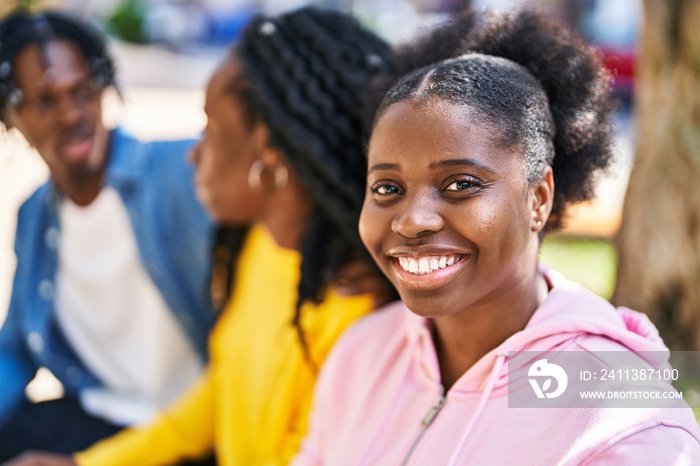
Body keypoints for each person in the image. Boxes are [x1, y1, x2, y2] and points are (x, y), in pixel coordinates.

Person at [292, 9, 700, 465]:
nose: (411, 221)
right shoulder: (363, 353)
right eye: (388, 189)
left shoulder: (621, 414)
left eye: (460, 184)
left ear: (538, 198)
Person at [2, 6, 396, 466]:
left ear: (266, 156)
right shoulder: (259, 250)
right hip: (133, 425)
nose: (194, 152)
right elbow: (218, 395)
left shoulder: (354, 310)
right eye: (44, 101)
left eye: (208, 128)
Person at [0, 8, 215, 460]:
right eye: (44, 101)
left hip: (193, 426)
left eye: (82, 91)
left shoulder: (184, 173)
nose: (71, 114)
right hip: (100, 414)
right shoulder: (35, 215)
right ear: (11, 114)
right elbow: (16, 349)